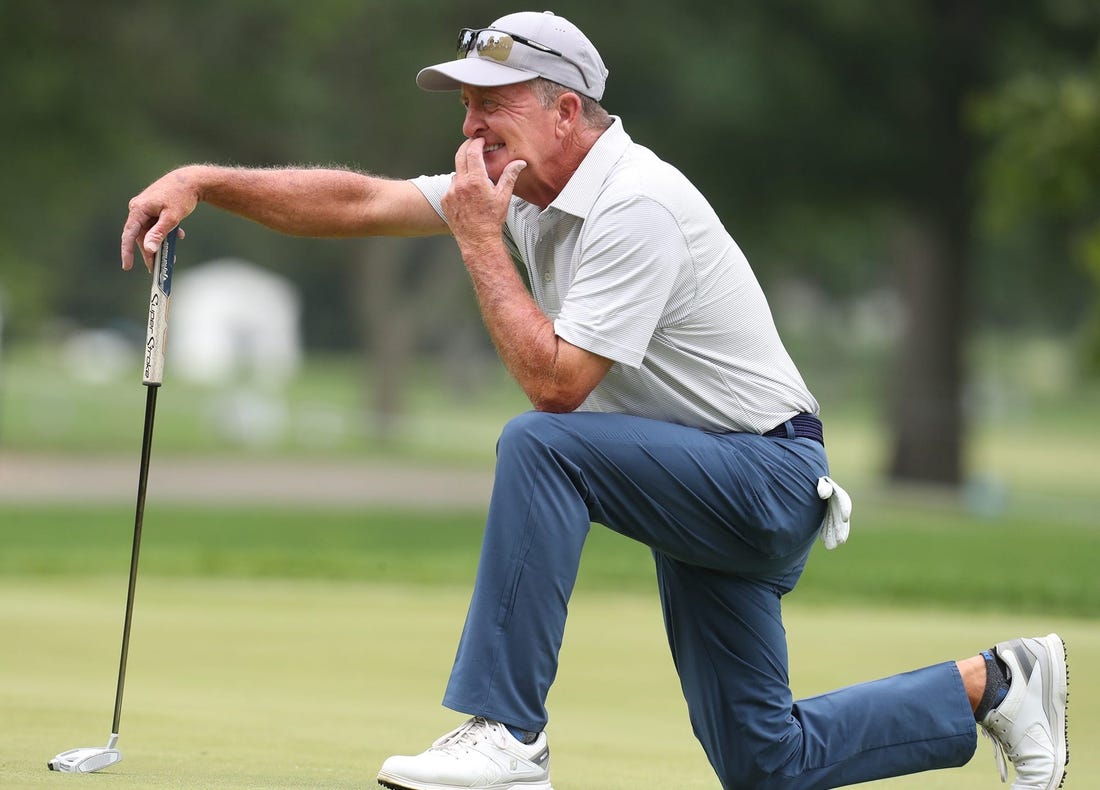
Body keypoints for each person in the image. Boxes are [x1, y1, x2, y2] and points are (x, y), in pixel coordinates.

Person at [121, 11, 1068, 790]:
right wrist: (208, 182)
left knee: (540, 443)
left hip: (766, 474)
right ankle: (999, 683)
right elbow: (358, 203)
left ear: (566, 110)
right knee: (765, 762)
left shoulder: (635, 204)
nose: (469, 133)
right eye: (464, 110)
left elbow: (557, 388)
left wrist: (480, 238)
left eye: (491, 107)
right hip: (693, 478)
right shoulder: (521, 187)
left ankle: (508, 733)